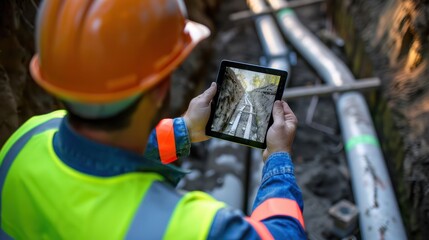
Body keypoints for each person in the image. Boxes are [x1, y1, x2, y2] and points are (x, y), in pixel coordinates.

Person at [0, 0, 305, 239]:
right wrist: (277, 157)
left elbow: (97, 154)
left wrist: (183, 130)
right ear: (161, 87)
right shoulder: (185, 227)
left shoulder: (24, 141)